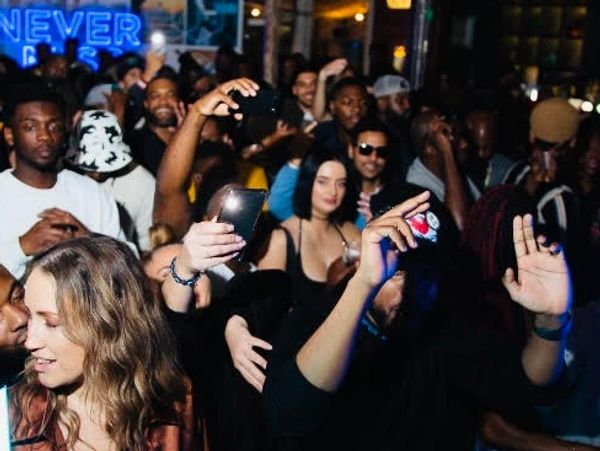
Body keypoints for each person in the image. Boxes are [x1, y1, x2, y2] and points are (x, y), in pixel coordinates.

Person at [263, 190, 573, 450]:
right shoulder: (318, 316)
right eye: (394, 271)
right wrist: (364, 286)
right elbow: (289, 413)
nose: (403, 291)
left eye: (423, 275)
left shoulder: (442, 327)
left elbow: (528, 381)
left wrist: (550, 320)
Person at [9, 235, 197, 449]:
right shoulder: (13, 419)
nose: (30, 341)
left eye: (52, 323)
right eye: (30, 316)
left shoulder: (175, 405)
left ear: (106, 325)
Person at [0, 82, 128, 279]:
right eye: (30, 127)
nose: (44, 136)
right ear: (9, 135)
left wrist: (88, 241)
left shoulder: (92, 192)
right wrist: (22, 246)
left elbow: (128, 266)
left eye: (54, 126)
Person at [258, 150, 361, 306]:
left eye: (341, 184)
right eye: (323, 181)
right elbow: (261, 311)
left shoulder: (351, 232)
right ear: (307, 182)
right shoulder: (280, 240)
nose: (333, 191)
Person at [66, 109, 156, 252]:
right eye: (88, 168)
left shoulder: (143, 182)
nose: (95, 174)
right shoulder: (63, 178)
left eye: (103, 168)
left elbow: (147, 245)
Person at [406, 111, 477, 230]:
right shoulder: (416, 188)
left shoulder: (456, 171)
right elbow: (459, 225)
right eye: (449, 137)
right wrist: (447, 151)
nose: (464, 144)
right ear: (430, 149)